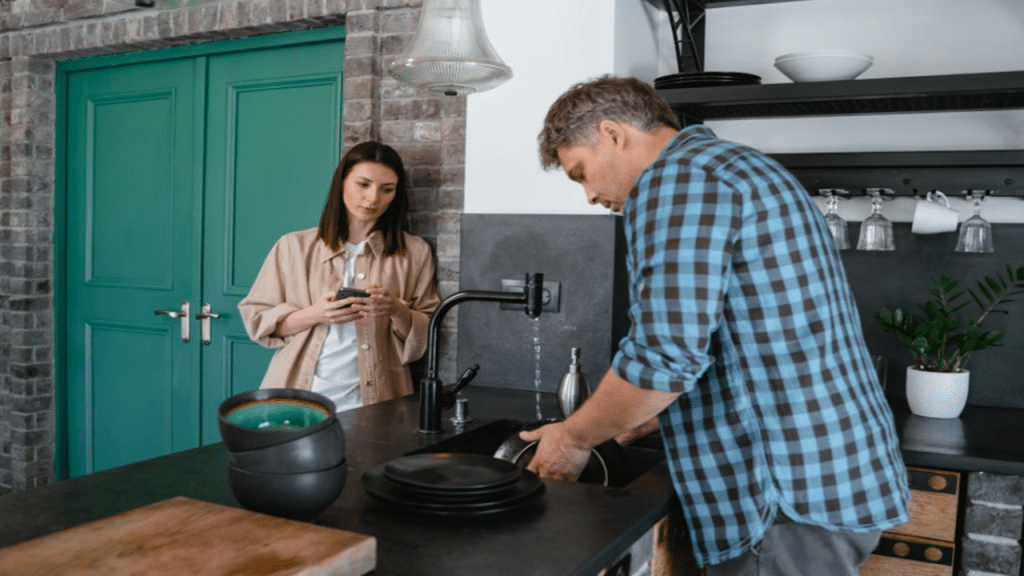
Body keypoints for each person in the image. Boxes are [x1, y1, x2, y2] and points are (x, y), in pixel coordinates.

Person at [521, 76, 910, 575]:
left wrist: (574, 437)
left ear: (613, 134)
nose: (590, 195)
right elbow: (752, 334)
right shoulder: (737, 167)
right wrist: (649, 416)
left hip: (781, 495)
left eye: (581, 173)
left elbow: (665, 355)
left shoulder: (676, 182)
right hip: (828, 472)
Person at [239, 141, 440, 411]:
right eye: (363, 184)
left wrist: (394, 309)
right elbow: (259, 321)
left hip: (380, 398)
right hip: (299, 395)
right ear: (342, 182)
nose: (372, 199)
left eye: (387, 189)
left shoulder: (415, 252)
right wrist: (318, 313)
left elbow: (428, 330)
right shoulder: (292, 247)